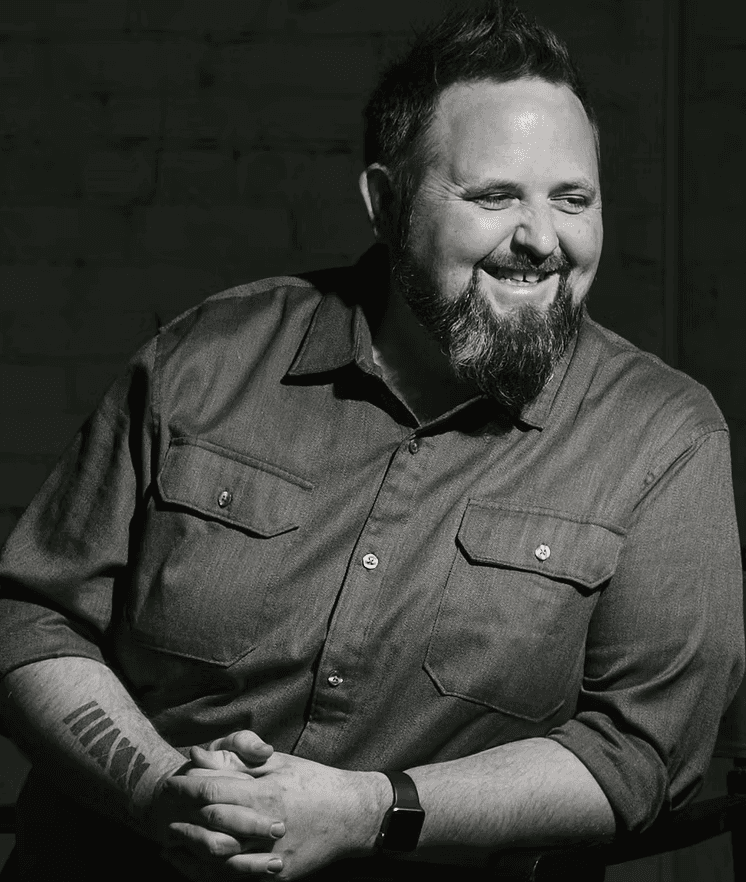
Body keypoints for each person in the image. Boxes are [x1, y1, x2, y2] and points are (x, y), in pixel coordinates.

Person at [0, 4, 743, 881]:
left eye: (573, 199)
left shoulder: (662, 436)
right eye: (495, 196)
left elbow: (643, 750)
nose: (542, 239)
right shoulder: (205, 362)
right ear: (386, 203)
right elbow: (32, 617)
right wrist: (162, 792)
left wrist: (368, 813)